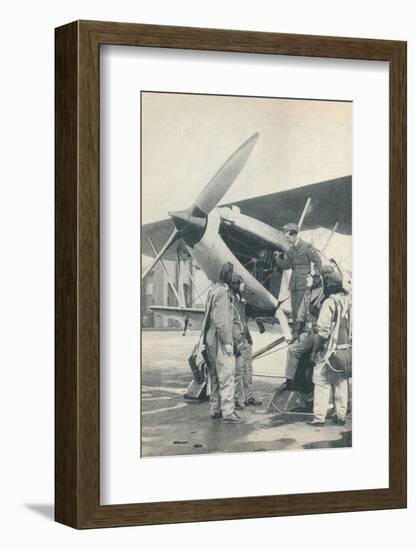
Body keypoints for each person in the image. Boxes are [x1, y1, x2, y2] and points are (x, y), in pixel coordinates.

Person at [307, 269, 352, 426]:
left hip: (329, 352)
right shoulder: (348, 300)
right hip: (345, 351)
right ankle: (340, 416)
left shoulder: (329, 303)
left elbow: (323, 331)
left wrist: (314, 352)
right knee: (341, 382)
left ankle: (319, 418)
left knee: (321, 381)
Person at [203, 262, 243, 424]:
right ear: (227, 276)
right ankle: (228, 412)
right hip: (220, 339)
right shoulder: (222, 293)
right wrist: (228, 342)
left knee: (214, 376)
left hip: (210, 339)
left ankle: (215, 409)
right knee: (227, 375)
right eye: (231, 273)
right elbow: (222, 321)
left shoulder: (213, 290)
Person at [278, 272, 324, 392]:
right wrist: (296, 333)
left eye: (312, 277)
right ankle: (289, 381)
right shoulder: (308, 293)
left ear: (318, 279)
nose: (309, 279)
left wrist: (317, 312)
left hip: (318, 332)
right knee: (292, 349)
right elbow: (300, 315)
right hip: (308, 332)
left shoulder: (323, 293)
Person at [274, 223, 322, 335]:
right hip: (294, 282)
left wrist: (314, 275)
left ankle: (303, 332)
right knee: (294, 309)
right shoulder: (291, 250)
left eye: (288, 237)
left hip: (304, 282)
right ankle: (296, 333)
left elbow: (317, 262)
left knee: (302, 309)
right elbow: (287, 265)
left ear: (294, 235)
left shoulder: (307, 247)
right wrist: (277, 258)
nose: (287, 239)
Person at [230, 274, 262, 410]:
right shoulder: (230, 301)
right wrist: (236, 342)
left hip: (245, 339)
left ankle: (248, 397)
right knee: (238, 371)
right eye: (241, 283)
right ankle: (235, 399)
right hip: (238, 340)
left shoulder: (240, 301)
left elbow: (244, 320)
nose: (243, 286)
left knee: (248, 369)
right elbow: (231, 324)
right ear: (235, 285)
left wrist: (248, 337)